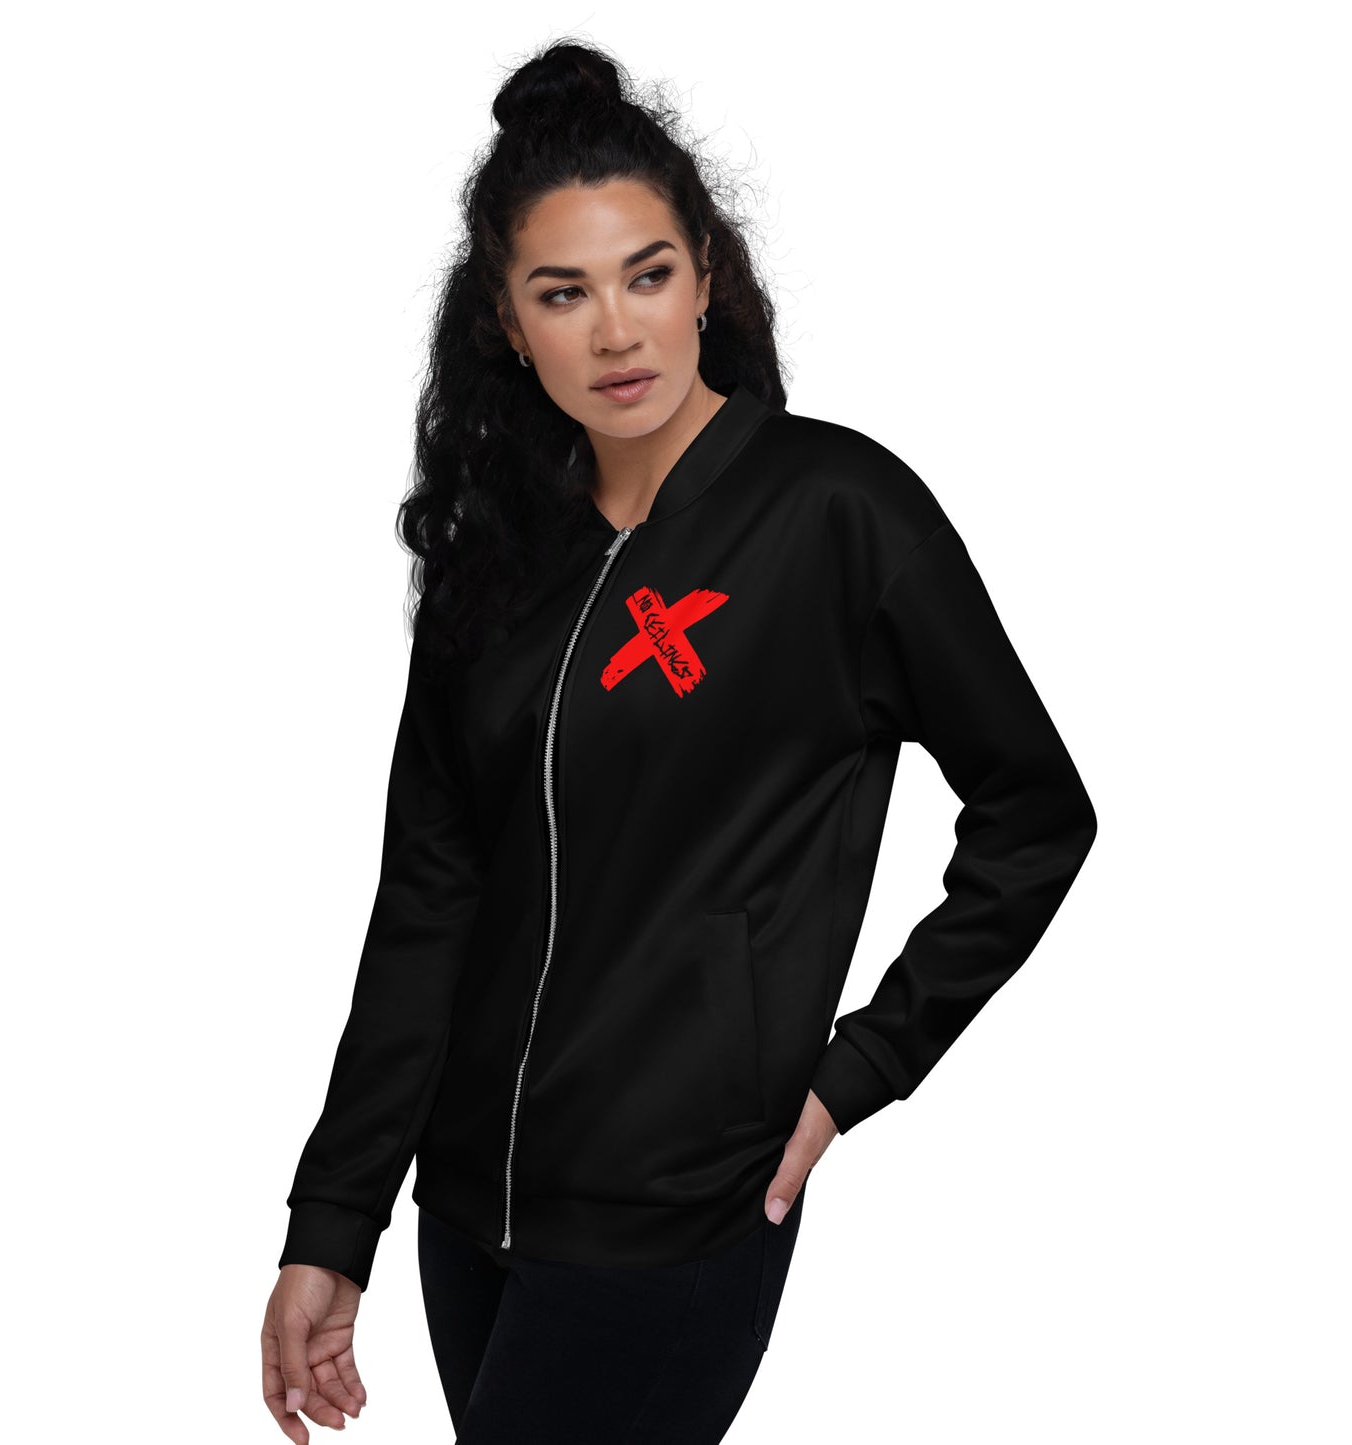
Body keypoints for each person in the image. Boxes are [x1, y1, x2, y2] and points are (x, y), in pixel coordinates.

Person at [261, 36, 1097, 1445]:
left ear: (706, 275)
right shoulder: (494, 555)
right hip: (468, 1211)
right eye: (562, 293)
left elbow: (1036, 812)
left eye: (646, 275)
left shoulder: (836, 516)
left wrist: (855, 1073)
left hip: (676, 1212)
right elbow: (427, 904)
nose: (615, 331)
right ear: (505, 324)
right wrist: (332, 1222)